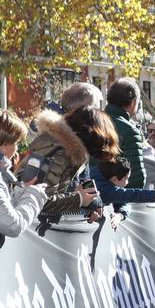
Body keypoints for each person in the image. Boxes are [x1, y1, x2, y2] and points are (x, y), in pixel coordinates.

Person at [23, 82, 103, 219]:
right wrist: (79, 199)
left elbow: (80, 183)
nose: (100, 117)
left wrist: (93, 205)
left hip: (63, 228)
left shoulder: (76, 141)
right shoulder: (56, 145)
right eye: (95, 110)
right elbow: (39, 201)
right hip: (46, 233)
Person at [105, 78, 147, 189]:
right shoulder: (130, 131)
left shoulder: (91, 122)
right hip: (119, 198)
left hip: (89, 195)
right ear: (133, 102)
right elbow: (136, 178)